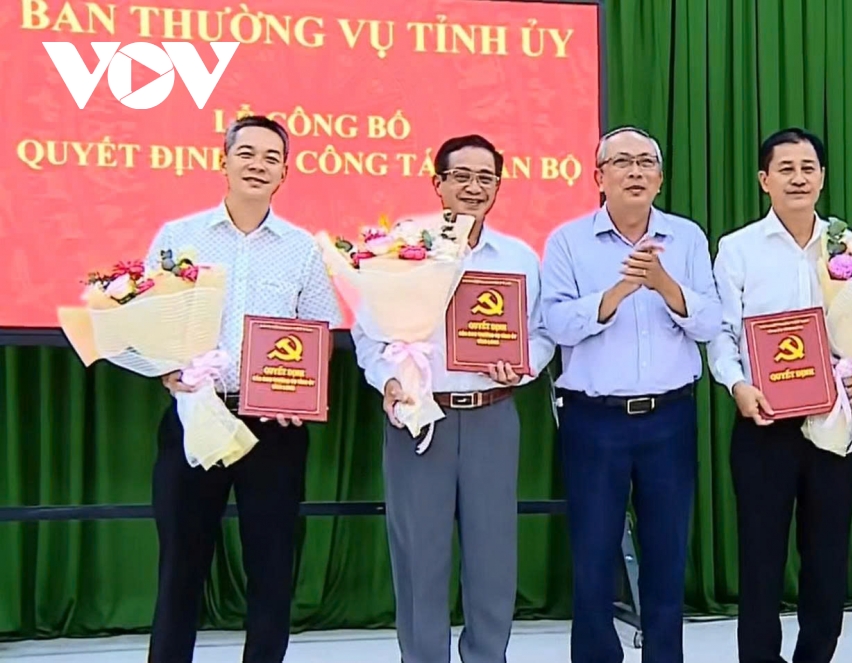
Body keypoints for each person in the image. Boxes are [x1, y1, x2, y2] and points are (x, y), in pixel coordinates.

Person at [144, 115, 342, 663]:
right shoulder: (179, 237)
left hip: (273, 429)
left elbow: (320, 330)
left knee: (272, 568)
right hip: (197, 417)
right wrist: (166, 370)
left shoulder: (302, 249)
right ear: (224, 161)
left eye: (271, 157)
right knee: (181, 567)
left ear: (285, 172)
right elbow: (146, 318)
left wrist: (298, 390)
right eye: (247, 153)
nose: (258, 165)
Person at [351, 134, 555, 663]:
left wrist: (523, 365)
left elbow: (541, 333)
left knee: (493, 554)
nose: (473, 187)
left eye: (486, 178)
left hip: (492, 414)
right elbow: (368, 335)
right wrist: (389, 381)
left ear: (498, 187)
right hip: (420, 418)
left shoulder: (517, 257)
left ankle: (488, 656)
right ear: (437, 183)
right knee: (419, 555)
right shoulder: (399, 251)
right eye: (461, 176)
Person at [540, 126, 721, 663]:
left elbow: (710, 322)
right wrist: (618, 291)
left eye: (646, 162)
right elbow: (555, 324)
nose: (635, 172)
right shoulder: (568, 241)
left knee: (667, 557)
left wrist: (665, 284)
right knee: (594, 557)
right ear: (599, 177)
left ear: (660, 178)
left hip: (670, 418)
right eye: (621, 162)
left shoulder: (686, 238)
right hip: (594, 421)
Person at [707, 128, 852, 663]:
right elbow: (722, 333)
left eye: (808, 168)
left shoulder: (850, 249)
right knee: (760, 560)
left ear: (822, 177)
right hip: (763, 422)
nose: (798, 178)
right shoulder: (738, 249)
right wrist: (738, 384)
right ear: (764, 180)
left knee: (827, 558)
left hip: (832, 422)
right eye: (786, 169)